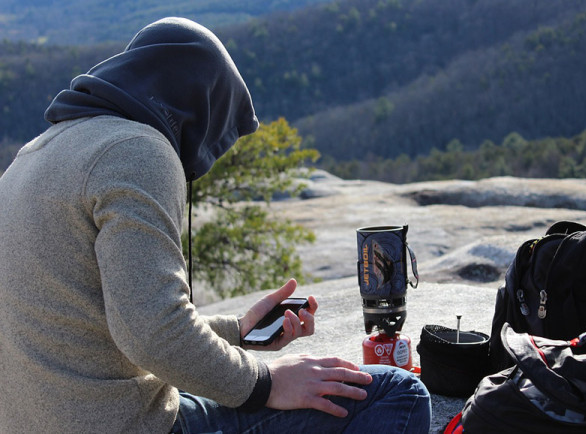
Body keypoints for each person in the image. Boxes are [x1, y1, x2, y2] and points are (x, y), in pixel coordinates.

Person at [0, 17, 431, 433]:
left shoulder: (34, 154)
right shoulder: (137, 150)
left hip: (52, 417)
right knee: (398, 392)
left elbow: (102, 320)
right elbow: (150, 335)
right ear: (199, 109)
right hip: (126, 424)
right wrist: (267, 382)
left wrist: (238, 331)